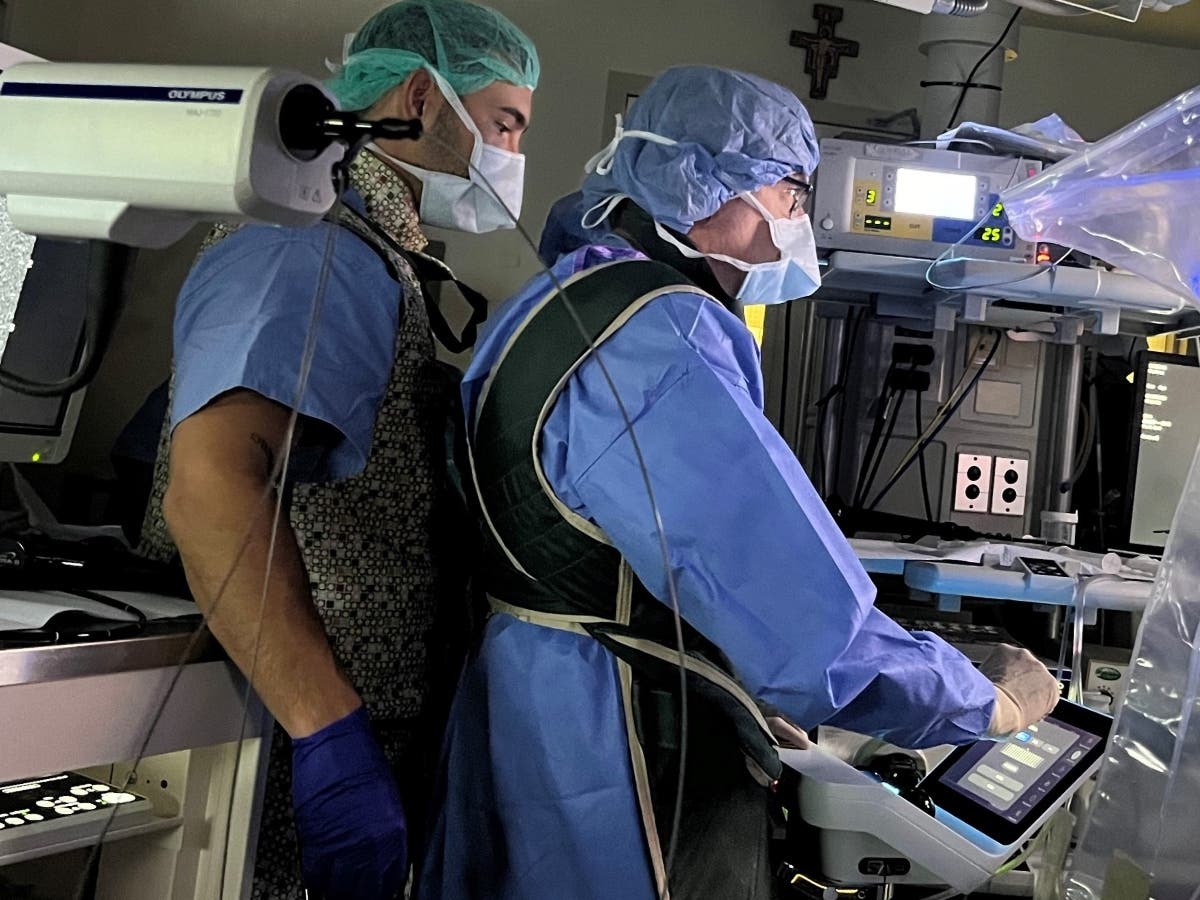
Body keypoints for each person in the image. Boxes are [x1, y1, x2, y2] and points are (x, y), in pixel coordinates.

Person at [419, 65, 1060, 900]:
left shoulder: (560, 297)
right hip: (615, 730)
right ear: (704, 182)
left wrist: (732, 680)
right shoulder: (662, 333)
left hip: (534, 695)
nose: (799, 218)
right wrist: (982, 702)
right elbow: (803, 628)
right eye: (792, 189)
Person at [135, 2, 539, 898]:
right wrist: (328, 733)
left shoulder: (378, 251)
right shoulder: (308, 244)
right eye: (506, 123)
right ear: (421, 97)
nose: (513, 156)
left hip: (350, 709)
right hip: (291, 723)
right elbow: (210, 493)